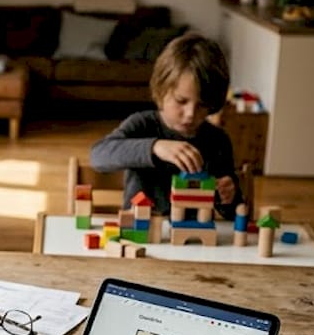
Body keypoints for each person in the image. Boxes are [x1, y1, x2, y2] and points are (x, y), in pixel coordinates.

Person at [89, 33, 242, 220]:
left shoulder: (217, 141)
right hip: (141, 233)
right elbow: (98, 156)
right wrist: (155, 147)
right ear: (162, 90)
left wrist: (228, 197)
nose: (190, 114)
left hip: (191, 238)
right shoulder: (142, 125)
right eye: (181, 100)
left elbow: (233, 212)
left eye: (201, 105)